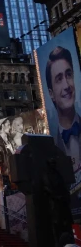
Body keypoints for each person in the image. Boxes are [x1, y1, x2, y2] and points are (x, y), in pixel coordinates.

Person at [45, 46, 81, 174]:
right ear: (51, 93)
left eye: (69, 75)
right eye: (59, 79)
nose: (66, 85)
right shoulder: (50, 151)